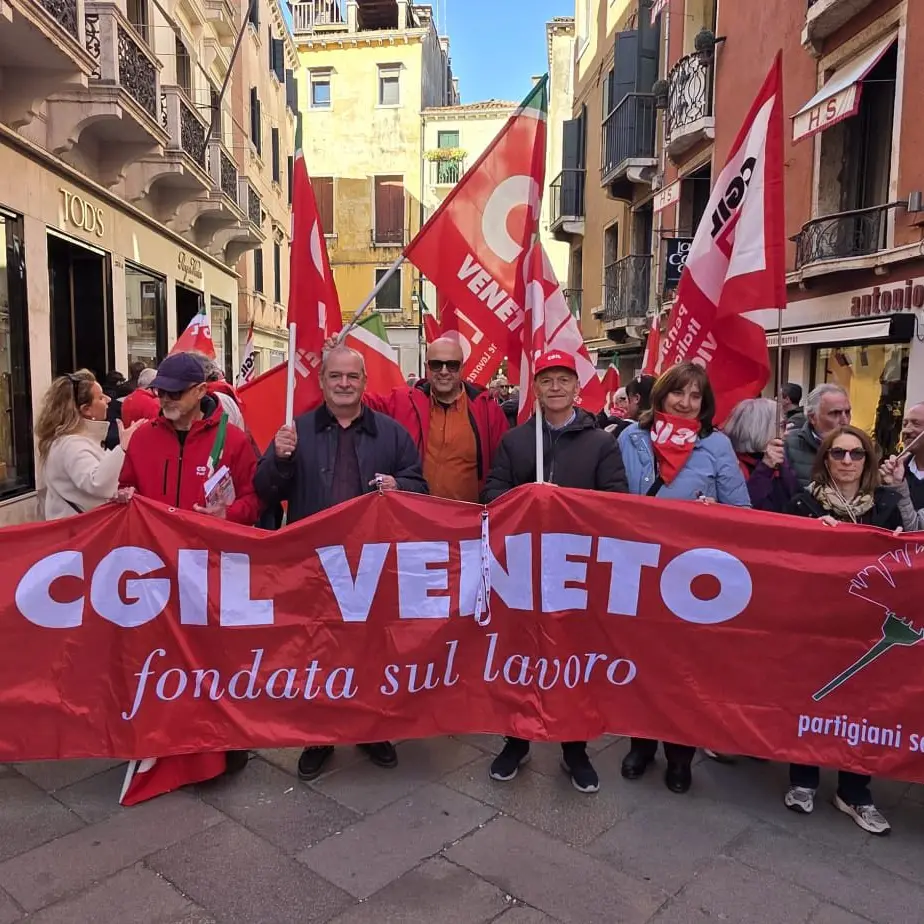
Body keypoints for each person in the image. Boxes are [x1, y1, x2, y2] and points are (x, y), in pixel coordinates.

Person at [254, 345, 428, 781]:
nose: (345, 384)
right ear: (323, 381)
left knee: (372, 648)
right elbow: (265, 491)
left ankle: (372, 728)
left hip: (373, 563)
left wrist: (399, 484)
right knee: (317, 648)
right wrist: (279, 457)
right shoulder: (296, 431)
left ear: (364, 383)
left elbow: (418, 484)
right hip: (313, 563)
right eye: (336, 377)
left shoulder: (390, 434)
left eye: (352, 377)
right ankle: (319, 734)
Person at [482, 350, 628, 795]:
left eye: (564, 380)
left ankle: (574, 747)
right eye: (547, 380)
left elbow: (616, 501)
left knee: (573, 659)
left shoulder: (601, 443)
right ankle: (517, 738)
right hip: (524, 570)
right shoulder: (516, 442)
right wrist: (528, 496)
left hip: (577, 571)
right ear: (537, 388)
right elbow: (491, 494)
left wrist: (567, 504)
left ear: (577, 388)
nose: (556, 388)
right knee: (521, 655)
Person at [618, 362, 750, 794]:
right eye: (679, 393)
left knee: (684, 669)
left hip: (693, 576)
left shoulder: (717, 446)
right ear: (661, 395)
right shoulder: (631, 437)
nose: (686, 402)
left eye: (696, 396)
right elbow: (611, 501)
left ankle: (679, 755)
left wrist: (718, 514)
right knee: (640, 664)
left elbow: (743, 513)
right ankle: (640, 745)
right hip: (640, 569)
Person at [784, 425, 901, 836]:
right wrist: (815, 540)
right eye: (838, 454)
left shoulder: (887, 504)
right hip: (818, 621)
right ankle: (803, 778)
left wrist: (899, 539)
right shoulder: (802, 503)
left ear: (868, 461)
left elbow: (908, 556)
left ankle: (855, 791)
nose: (847, 462)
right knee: (813, 697)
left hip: (869, 626)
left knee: (864, 706)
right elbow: (780, 555)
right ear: (825, 459)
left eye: (856, 454)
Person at [119, 353, 261, 525]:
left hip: (207, 547)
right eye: (161, 392)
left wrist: (228, 514)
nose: (165, 399)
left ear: (200, 390)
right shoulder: (142, 437)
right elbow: (126, 487)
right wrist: (124, 495)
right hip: (156, 547)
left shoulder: (234, 440)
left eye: (175, 393)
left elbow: (254, 500)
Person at [363, 336, 508, 502]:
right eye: (436, 365)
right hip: (415, 517)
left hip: (469, 520)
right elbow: (349, 400)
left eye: (452, 365)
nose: (444, 371)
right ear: (426, 368)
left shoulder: (488, 411)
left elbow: (502, 472)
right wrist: (329, 359)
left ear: (462, 368)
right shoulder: (403, 401)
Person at [36, 370, 143, 519]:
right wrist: (123, 447)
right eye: (100, 397)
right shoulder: (71, 444)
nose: (108, 399)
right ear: (86, 409)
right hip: (76, 533)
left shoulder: (75, 440)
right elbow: (97, 483)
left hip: (76, 530)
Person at [723, 398, 799, 513]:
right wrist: (765, 468)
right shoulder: (733, 465)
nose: (787, 432)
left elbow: (796, 498)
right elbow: (744, 508)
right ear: (761, 428)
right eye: (782, 425)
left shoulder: (780, 458)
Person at [785, 384, 851, 488]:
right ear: (812, 417)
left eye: (847, 412)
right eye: (835, 413)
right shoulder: (788, 445)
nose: (845, 420)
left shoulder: (860, 446)